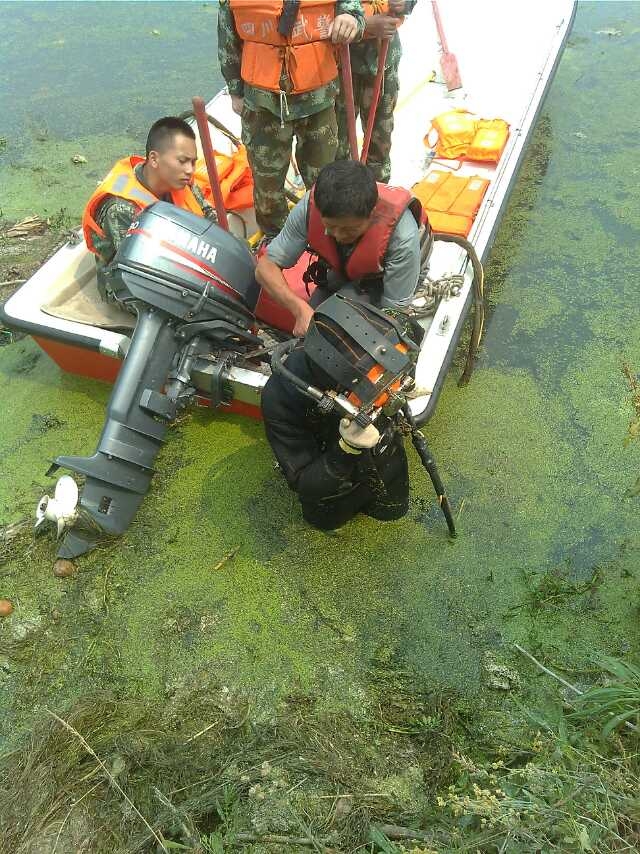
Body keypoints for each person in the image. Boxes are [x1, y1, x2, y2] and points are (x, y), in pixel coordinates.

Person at [262, 294, 415, 530]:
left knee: (394, 511)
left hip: (384, 454)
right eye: (377, 389)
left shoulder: (383, 341)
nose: (387, 391)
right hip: (333, 479)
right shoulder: (281, 397)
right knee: (326, 519)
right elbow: (304, 482)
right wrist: (346, 450)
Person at [217, 0, 365, 239]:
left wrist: (350, 19)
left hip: (318, 99)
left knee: (325, 179)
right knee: (267, 186)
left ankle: (324, 238)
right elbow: (228, 39)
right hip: (262, 103)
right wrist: (235, 90)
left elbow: (355, 12)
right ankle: (276, 239)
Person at [255, 159, 424, 336]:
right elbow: (265, 268)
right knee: (315, 327)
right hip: (344, 269)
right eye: (329, 226)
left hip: (387, 278)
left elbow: (394, 314)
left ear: (372, 213)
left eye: (348, 229)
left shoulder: (402, 236)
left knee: (337, 335)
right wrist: (300, 309)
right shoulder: (310, 207)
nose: (337, 235)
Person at [82, 117, 215, 299]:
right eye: (183, 161)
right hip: (130, 285)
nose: (190, 170)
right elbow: (137, 273)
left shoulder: (182, 183)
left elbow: (210, 219)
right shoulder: (121, 208)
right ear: (154, 159)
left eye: (193, 162)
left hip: (183, 258)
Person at [336, 0, 417, 182]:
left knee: (380, 141)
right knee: (338, 144)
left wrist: (406, 3)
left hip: (384, 58)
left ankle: (377, 194)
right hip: (342, 62)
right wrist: (366, 25)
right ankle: (341, 200)